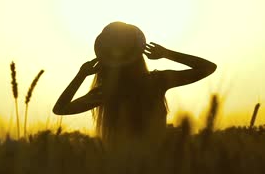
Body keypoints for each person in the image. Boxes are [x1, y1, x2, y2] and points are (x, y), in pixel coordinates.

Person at [53, 22, 217, 142]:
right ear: (138, 55)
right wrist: (167, 54)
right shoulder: (156, 81)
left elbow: (60, 109)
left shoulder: (106, 92)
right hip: (158, 166)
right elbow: (207, 68)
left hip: (121, 170)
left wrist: (81, 75)